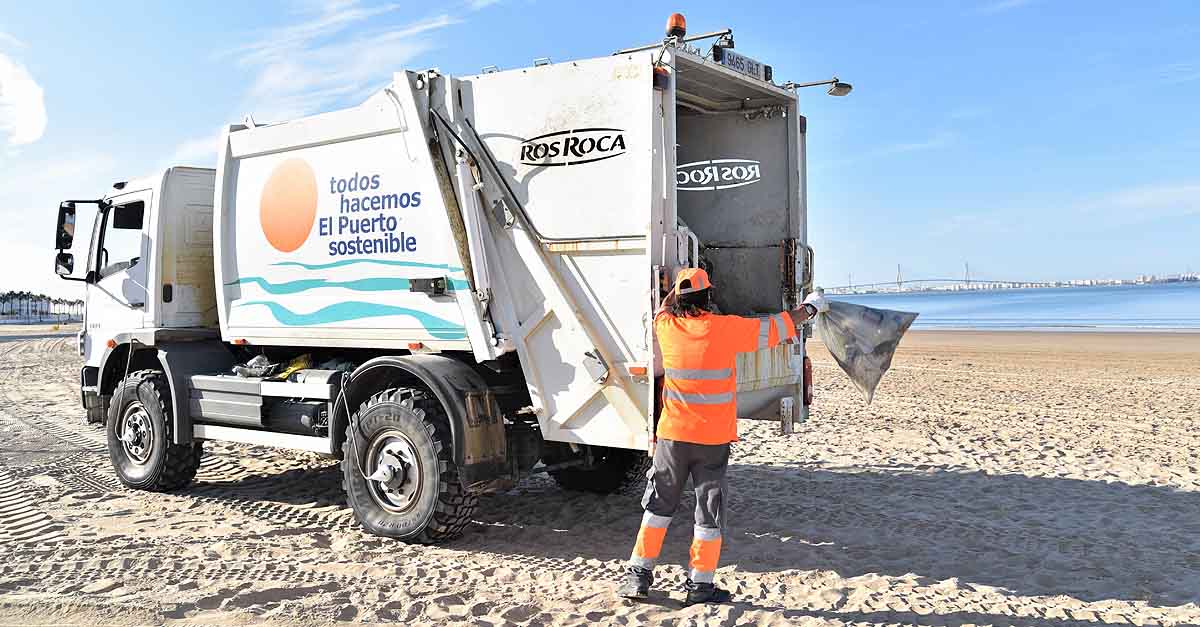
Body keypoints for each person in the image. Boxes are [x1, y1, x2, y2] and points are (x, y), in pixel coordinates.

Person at [617, 267, 829, 605]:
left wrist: (674, 288)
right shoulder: (725, 328)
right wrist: (812, 308)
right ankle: (700, 585)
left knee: (658, 505)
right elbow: (779, 326)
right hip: (712, 441)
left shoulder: (666, 327)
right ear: (708, 298)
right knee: (708, 511)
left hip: (673, 437)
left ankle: (638, 576)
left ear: (678, 299)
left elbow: (663, 308)